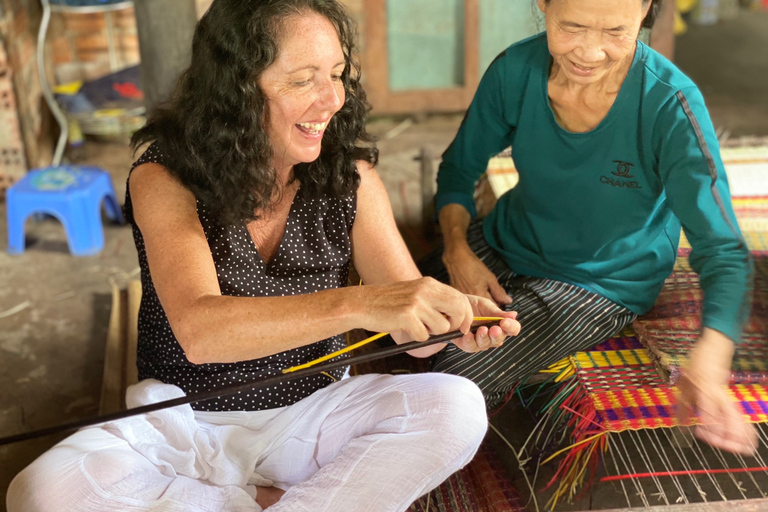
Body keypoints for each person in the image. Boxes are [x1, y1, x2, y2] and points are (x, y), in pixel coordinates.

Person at [6, 1, 521, 511]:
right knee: (41, 492)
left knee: (456, 407)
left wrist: (449, 321)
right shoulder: (164, 175)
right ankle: (264, 500)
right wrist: (366, 304)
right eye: (302, 80)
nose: (331, 99)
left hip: (312, 417)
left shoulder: (351, 179)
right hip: (184, 423)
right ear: (236, 89)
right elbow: (201, 333)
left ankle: (237, 502)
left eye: (338, 74)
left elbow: (413, 334)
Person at [423, 0, 756, 455]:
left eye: (615, 32)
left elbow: (724, 249)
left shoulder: (670, 106)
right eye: (572, 27)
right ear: (543, 6)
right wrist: (456, 251)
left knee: (451, 377)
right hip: (506, 237)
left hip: (600, 280)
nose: (590, 52)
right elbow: (459, 172)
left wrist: (713, 356)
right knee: (391, 320)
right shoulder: (516, 69)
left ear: (645, 13)